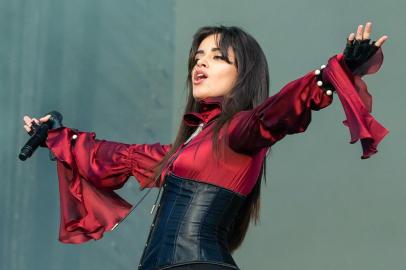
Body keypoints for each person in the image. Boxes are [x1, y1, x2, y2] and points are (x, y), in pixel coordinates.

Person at [22, 23, 388, 270]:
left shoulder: (240, 131)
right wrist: (55, 135)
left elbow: (276, 113)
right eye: (198, 57)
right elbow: (115, 156)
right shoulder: (193, 144)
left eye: (216, 57)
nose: (200, 63)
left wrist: (332, 73)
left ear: (242, 72)